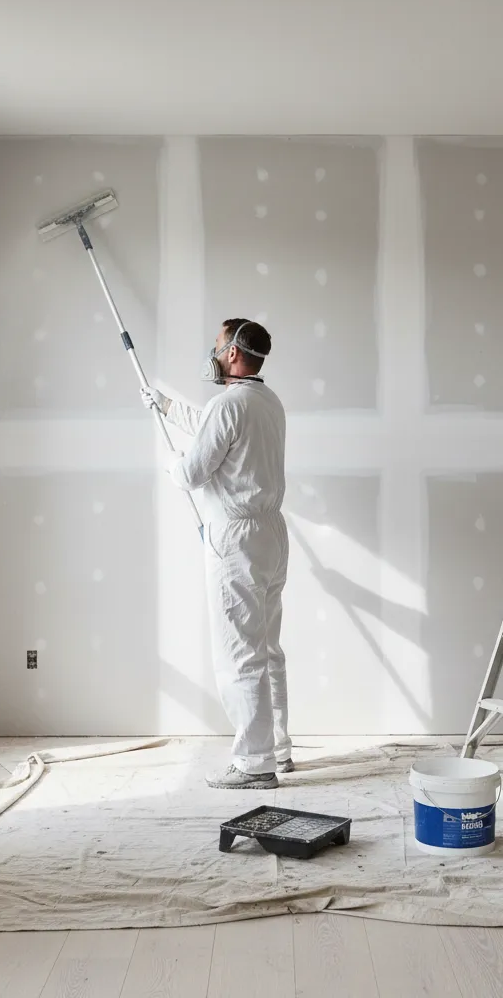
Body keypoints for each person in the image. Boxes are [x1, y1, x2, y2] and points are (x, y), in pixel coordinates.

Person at [140, 319, 292, 789]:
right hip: (270, 533)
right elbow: (217, 426)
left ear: (230, 354)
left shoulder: (228, 405)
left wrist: (169, 463)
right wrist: (165, 407)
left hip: (236, 540)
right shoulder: (266, 401)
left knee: (238, 654)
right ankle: (278, 750)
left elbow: (193, 472)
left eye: (217, 343)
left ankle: (253, 764)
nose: (213, 350)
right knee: (267, 649)